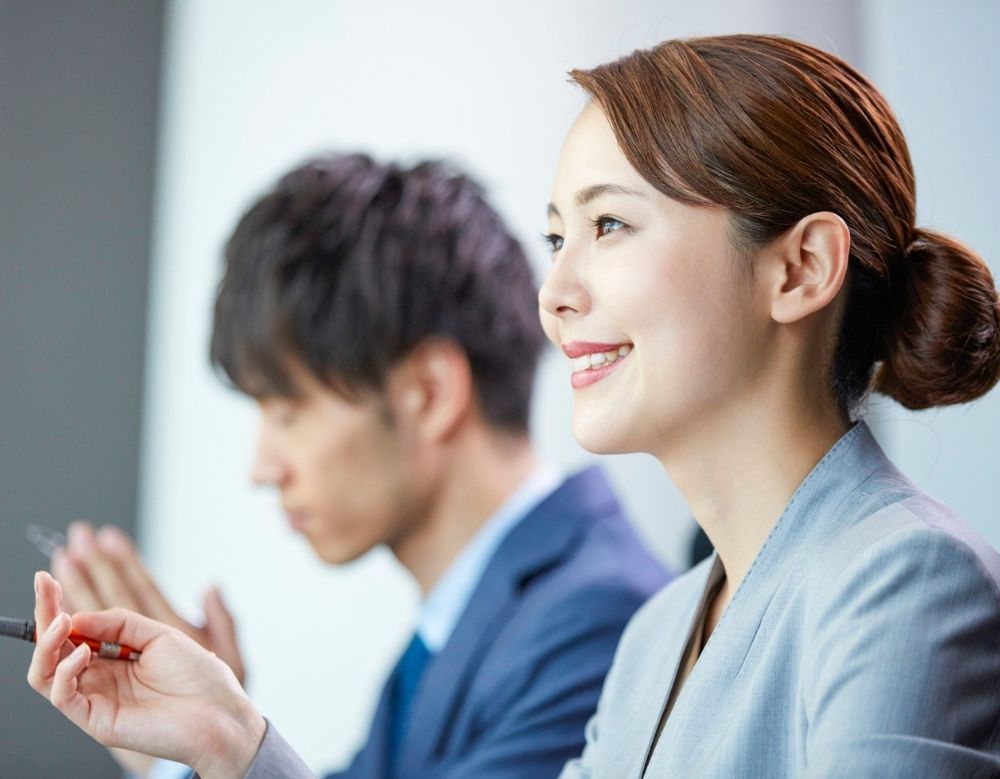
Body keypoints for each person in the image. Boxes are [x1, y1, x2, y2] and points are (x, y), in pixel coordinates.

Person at [28, 32, 1000, 777]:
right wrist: (227, 736)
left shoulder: (903, 583)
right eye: (554, 237)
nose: (556, 292)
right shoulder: (658, 632)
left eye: (609, 224)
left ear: (799, 267)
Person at [34, 153, 668, 778]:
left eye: (288, 409)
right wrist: (188, 736)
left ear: (429, 392)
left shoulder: (597, 626)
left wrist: (222, 737)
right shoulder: (454, 629)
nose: (263, 468)